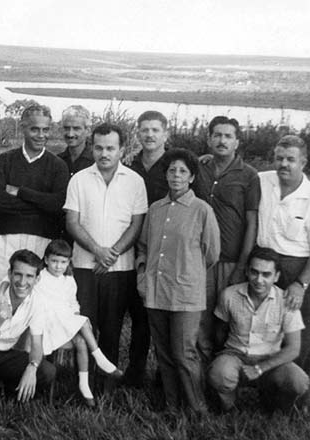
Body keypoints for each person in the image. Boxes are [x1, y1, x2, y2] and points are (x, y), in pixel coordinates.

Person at [64, 123, 149, 389]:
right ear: (92, 147)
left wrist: (111, 255)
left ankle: (106, 385)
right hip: (84, 267)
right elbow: (72, 223)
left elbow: (136, 225)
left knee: (112, 329)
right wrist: (98, 251)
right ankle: (83, 382)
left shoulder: (135, 181)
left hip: (120, 268)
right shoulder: (78, 179)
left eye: (110, 148)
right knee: (85, 326)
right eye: (99, 147)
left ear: (122, 149)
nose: (104, 153)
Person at [136, 148, 220, 413]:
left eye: (183, 171)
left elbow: (212, 253)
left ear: (192, 177)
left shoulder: (201, 210)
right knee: (164, 355)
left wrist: (187, 271)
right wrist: (142, 274)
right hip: (155, 292)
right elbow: (143, 247)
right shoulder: (156, 209)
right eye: (172, 170)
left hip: (185, 294)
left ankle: (197, 409)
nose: (177, 175)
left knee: (184, 354)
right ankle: (172, 407)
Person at [256, 135, 310, 406]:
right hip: (265, 266)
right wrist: (206, 162)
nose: (284, 164)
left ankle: (298, 398)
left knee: (301, 334)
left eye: (290, 159)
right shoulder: (262, 181)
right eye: (279, 158)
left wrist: (301, 284)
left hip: (299, 270)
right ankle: (266, 390)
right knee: (267, 331)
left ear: (303, 162)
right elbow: (234, 172)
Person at [208, 247, 309, 412]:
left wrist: (261, 368)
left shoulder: (287, 302)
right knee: (219, 373)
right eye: (254, 272)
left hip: (271, 360)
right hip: (237, 355)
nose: (259, 280)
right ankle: (228, 407)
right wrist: (223, 358)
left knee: (298, 381)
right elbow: (220, 331)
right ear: (247, 271)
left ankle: (274, 408)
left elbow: (293, 348)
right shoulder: (229, 295)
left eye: (266, 274)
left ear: (276, 276)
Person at [195, 116, 261, 364]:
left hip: (232, 262)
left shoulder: (249, 175)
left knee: (226, 323)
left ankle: (223, 376)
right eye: (217, 135)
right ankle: (198, 381)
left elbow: (252, 222)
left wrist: (242, 265)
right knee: (200, 320)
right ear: (209, 139)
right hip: (200, 261)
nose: (222, 140)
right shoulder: (198, 167)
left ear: (237, 142)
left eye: (228, 136)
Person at [32, 239, 122, 407]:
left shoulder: (68, 280)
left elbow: (73, 303)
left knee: (81, 340)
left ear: (69, 262)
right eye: (54, 261)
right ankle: (100, 358)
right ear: (45, 260)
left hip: (64, 320)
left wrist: (74, 313)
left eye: (63, 262)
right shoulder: (40, 277)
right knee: (83, 323)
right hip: (47, 322)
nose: (58, 266)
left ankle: (84, 383)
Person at [0, 104, 69, 283]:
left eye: (45, 130)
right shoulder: (6, 160)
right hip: (6, 239)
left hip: (43, 240)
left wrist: (21, 192)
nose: (41, 135)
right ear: (23, 128)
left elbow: (57, 205)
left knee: (36, 297)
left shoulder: (57, 165)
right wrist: (41, 204)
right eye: (35, 129)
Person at [0, 249, 57, 402]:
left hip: (6, 354)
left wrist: (33, 366)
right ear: (10, 273)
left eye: (29, 276)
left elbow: (37, 344)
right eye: (18, 274)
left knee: (47, 371)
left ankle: (11, 394)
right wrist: (0, 318)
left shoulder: (38, 302)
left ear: (37, 279)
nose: (22, 282)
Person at [57, 105, 93, 176]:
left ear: (87, 131)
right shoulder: (57, 161)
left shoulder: (96, 161)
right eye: (67, 128)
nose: (70, 134)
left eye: (76, 129)